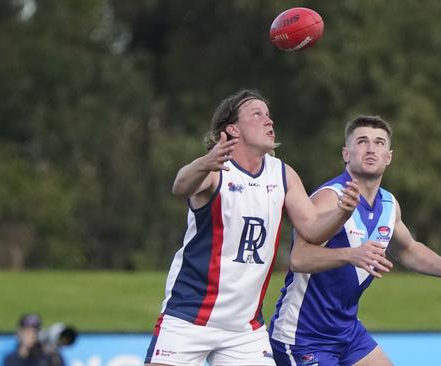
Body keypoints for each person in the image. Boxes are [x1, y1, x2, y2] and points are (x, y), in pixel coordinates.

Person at [144, 89, 361, 366]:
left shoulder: (282, 173)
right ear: (233, 128)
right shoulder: (215, 169)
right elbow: (180, 185)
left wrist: (342, 212)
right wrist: (204, 163)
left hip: (244, 329)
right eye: (257, 114)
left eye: (269, 115)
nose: (269, 121)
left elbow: (312, 229)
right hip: (189, 316)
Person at [268, 115, 441, 366]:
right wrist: (350, 254)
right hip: (303, 336)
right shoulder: (330, 198)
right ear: (346, 153)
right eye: (362, 141)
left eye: (379, 143)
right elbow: (299, 258)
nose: (371, 148)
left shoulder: (389, 204)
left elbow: (409, 250)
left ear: (388, 157)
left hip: (347, 333)